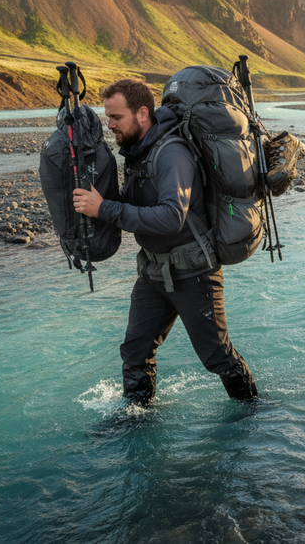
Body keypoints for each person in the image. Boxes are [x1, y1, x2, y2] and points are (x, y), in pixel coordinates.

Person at [72, 78, 259, 404]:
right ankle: (137, 419)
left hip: (193, 272)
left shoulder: (171, 154)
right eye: (107, 117)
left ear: (142, 113)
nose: (109, 124)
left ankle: (252, 411)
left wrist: (104, 209)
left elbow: (172, 217)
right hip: (153, 273)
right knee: (135, 351)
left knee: (216, 355)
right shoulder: (137, 152)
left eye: (116, 117)